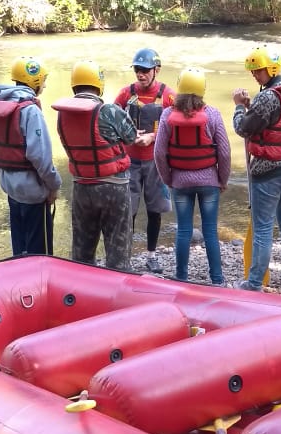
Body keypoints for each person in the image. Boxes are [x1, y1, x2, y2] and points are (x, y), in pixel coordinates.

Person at [232, 46, 281, 293]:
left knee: (263, 227)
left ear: (272, 69)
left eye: (259, 70)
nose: (255, 74)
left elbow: (243, 128)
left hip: (268, 173)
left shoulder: (267, 98)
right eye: (253, 71)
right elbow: (267, 119)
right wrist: (251, 106)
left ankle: (254, 282)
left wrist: (238, 107)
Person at [51, 61, 137, 271]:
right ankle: (117, 286)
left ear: (74, 85)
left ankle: (81, 286)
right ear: (99, 84)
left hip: (82, 188)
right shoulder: (108, 110)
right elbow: (131, 137)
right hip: (113, 187)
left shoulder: (62, 113)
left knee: (82, 253)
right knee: (118, 253)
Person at [0, 57, 62, 256]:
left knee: (19, 248)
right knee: (39, 254)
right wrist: (54, 186)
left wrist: (5, 173)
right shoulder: (31, 111)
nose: (45, 85)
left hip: (10, 188)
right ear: (35, 81)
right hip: (33, 192)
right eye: (43, 81)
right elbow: (41, 157)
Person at [154, 67, 231, 286]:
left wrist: (168, 179)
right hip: (209, 183)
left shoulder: (167, 115)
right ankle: (217, 280)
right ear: (203, 89)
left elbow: (158, 153)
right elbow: (225, 152)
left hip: (180, 182)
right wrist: (222, 180)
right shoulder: (213, 114)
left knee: (184, 231)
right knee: (210, 231)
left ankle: (181, 277)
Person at [114, 47, 175, 272]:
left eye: (145, 70)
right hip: (129, 161)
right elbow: (110, 121)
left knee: (154, 210)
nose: (140, 74)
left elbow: (175, 129)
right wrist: (128, 135)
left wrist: (153, 137)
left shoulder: (169, 96)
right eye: (137, 70)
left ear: (157, 70)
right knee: (127, 210)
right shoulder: (125, 94)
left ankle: (152, 255)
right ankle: (125, 256)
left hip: (154, 162)